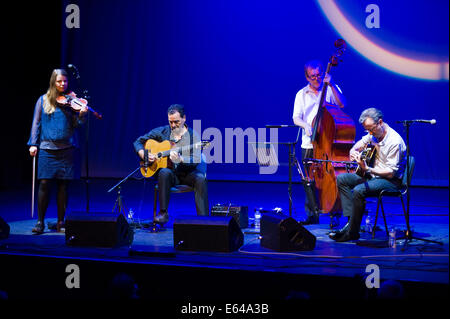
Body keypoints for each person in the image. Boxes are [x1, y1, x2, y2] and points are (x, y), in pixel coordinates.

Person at [329, 107, 406, 242]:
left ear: (380, 122)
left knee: (359, 190)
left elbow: (390, 173)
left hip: (391, 181)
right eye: (367, 130)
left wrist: (367, 169)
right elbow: (360, 143)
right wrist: (353, 150)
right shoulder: (373, 134)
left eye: (371, 129)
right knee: (342, 179)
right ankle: (351, 224)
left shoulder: (394, 141)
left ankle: (352, 233)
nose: (369, 132)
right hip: (374, 176)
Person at [28, 69, 88, 234]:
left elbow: (78, 125)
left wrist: (82, 115)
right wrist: (33, 143)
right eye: (59, 81)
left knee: (63, 186)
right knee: (45, 184)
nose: (63, 84)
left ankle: (61, 221)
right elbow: (36, 122)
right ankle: (40, 221)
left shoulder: (71, 102)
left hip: (66, 150)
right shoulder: (43, 100)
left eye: (65, 82)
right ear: (53, 82)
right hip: (47, 150)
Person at [133, 104, 208, 224]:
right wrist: (144, 154)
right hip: (171, 175)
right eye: (170, 122)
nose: (173, 125)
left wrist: (181, 159)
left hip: (187, 174)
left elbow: (195, 160)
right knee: (164, 172)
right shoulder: (162, 131)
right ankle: (163, 214)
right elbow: (138, 142)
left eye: (176, 122)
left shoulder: (193, 136)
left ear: (184, 118)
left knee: (200, 178)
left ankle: (203, 219)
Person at [292, 60, 346, 224]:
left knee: (333, 178)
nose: (316, 79)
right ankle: (312, 214)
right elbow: (296, 118)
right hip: (309, 143)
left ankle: (335, 214)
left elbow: (343, 104)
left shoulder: (330, 89)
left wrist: (333, 84)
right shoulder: (301, 94)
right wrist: (306, 125)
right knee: (309, 180)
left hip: (329, 143)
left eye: (319, 75)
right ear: (307, 77)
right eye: (312, 76)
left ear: (323, 73)